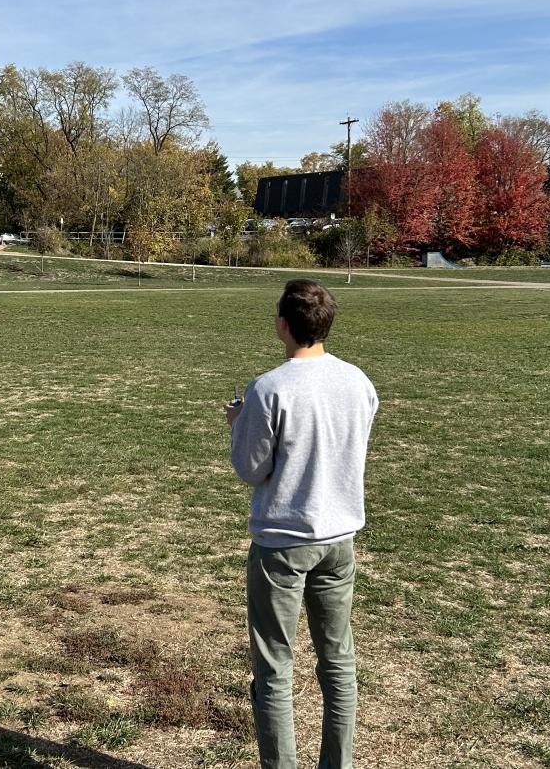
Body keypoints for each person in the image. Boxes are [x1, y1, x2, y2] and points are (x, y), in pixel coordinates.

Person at [225, 279, 379, 769]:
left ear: (284, 325)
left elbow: (252, 468)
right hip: (339, 539)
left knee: (274, 670)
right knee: (337, 663)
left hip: (282, 544)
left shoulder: (268, 388)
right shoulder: (358, 381)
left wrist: (238, 424)